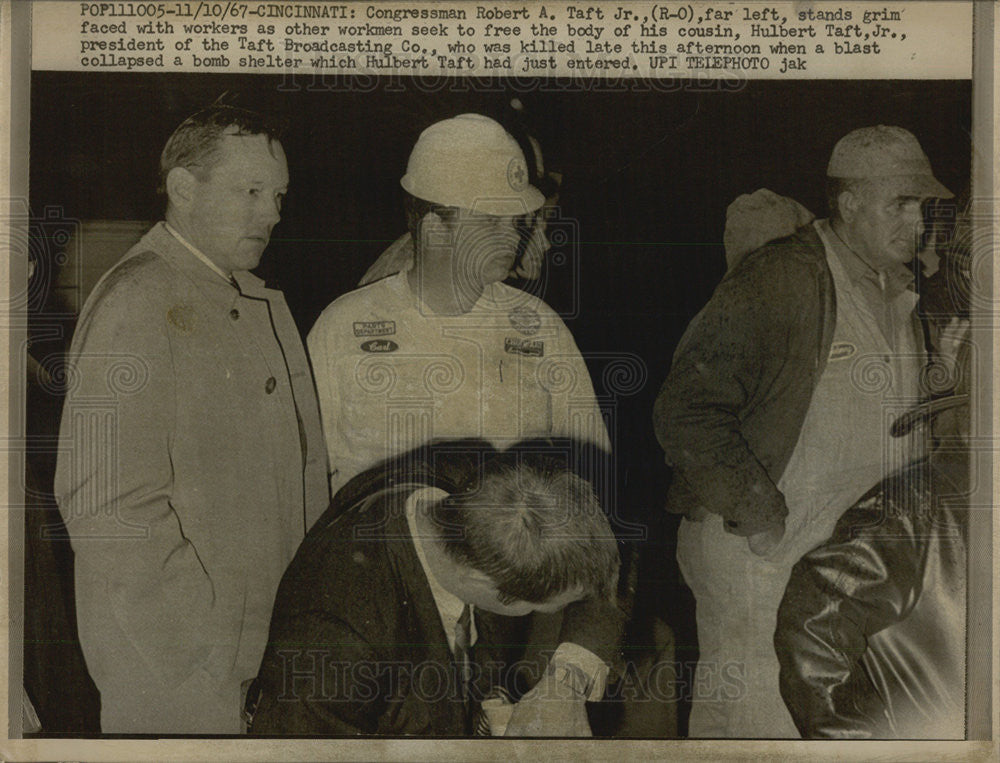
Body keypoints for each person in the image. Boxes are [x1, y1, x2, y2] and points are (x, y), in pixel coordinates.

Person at [652, 125, 954, 737]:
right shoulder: (782, 279)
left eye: (923, 205)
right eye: (900, 202)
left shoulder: (897, 289)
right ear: (848, 203)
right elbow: (684, 408)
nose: (918, 219)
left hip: (845, 566)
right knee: (757, 725)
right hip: (765, 557)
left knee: (826, 724)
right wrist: (759, 514)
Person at [53, 104, 329, 733]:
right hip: (180, 676)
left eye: (278, 194)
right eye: (250, 191)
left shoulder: (248, 298)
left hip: (258, 660)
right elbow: (103, 505)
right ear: (183, 188)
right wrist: (205, 640)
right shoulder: (139, 300)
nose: (273, 214)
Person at [307, 113, 609, 500]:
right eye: (490, 221)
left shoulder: (539, 327)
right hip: (388, 555)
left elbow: (590, 472)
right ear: (435, 230)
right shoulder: (345, 328)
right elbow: (304, 476)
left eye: (514, 219)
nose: (512, 235)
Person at [249, 440, 622, 736]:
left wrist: (565, 683)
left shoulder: (485, 481)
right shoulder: (333, 641)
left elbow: (611, 566)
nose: (551, 615)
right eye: (543, 608)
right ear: (482, 583)